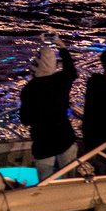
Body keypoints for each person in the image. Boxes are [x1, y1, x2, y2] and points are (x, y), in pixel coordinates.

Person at [19, 45, 79, 175]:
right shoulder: (60, 81)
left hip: (43, 143)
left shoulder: (29, 89)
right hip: (64, 138)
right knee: (70, 179)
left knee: (45, 184)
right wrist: (62, 46)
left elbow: (25, 119)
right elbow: (71, 71)